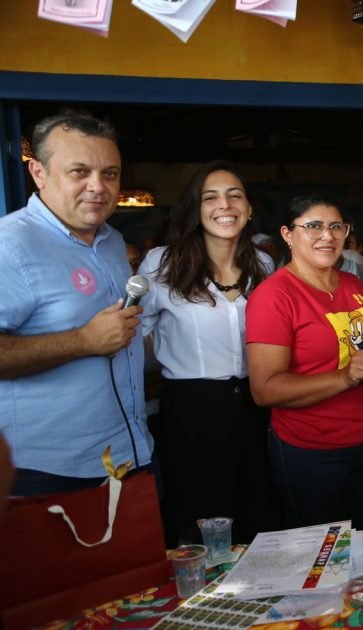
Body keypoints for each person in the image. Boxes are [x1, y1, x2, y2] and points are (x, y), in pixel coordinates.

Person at [0, 110, 152, 495]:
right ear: (39, 173)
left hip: (127, 456)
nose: (98, 186)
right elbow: (96, 337)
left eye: (110, 173)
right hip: (47, 474)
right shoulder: (10, 245)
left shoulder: (113, 241)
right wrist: (83, 341)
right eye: (78, 171)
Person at [138, 161, 281, 544]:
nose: (225, 205)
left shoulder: (263, 264)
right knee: (200, 517)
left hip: (257, 405)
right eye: (211, 197)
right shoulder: (162, 265)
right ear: (196, 209)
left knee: (260, 512)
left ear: (249, 209)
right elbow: (133, 339)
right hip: (192, 410)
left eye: (235, 195)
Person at [247, 194, 363, 529]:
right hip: (313, 453)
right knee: (324, 557)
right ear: (287, 234)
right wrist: (345, 377)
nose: (327, 236)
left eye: (335, 227)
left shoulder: (353, 284)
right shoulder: (274, 296)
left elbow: (357, 348)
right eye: (313, 226)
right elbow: (264, 390)